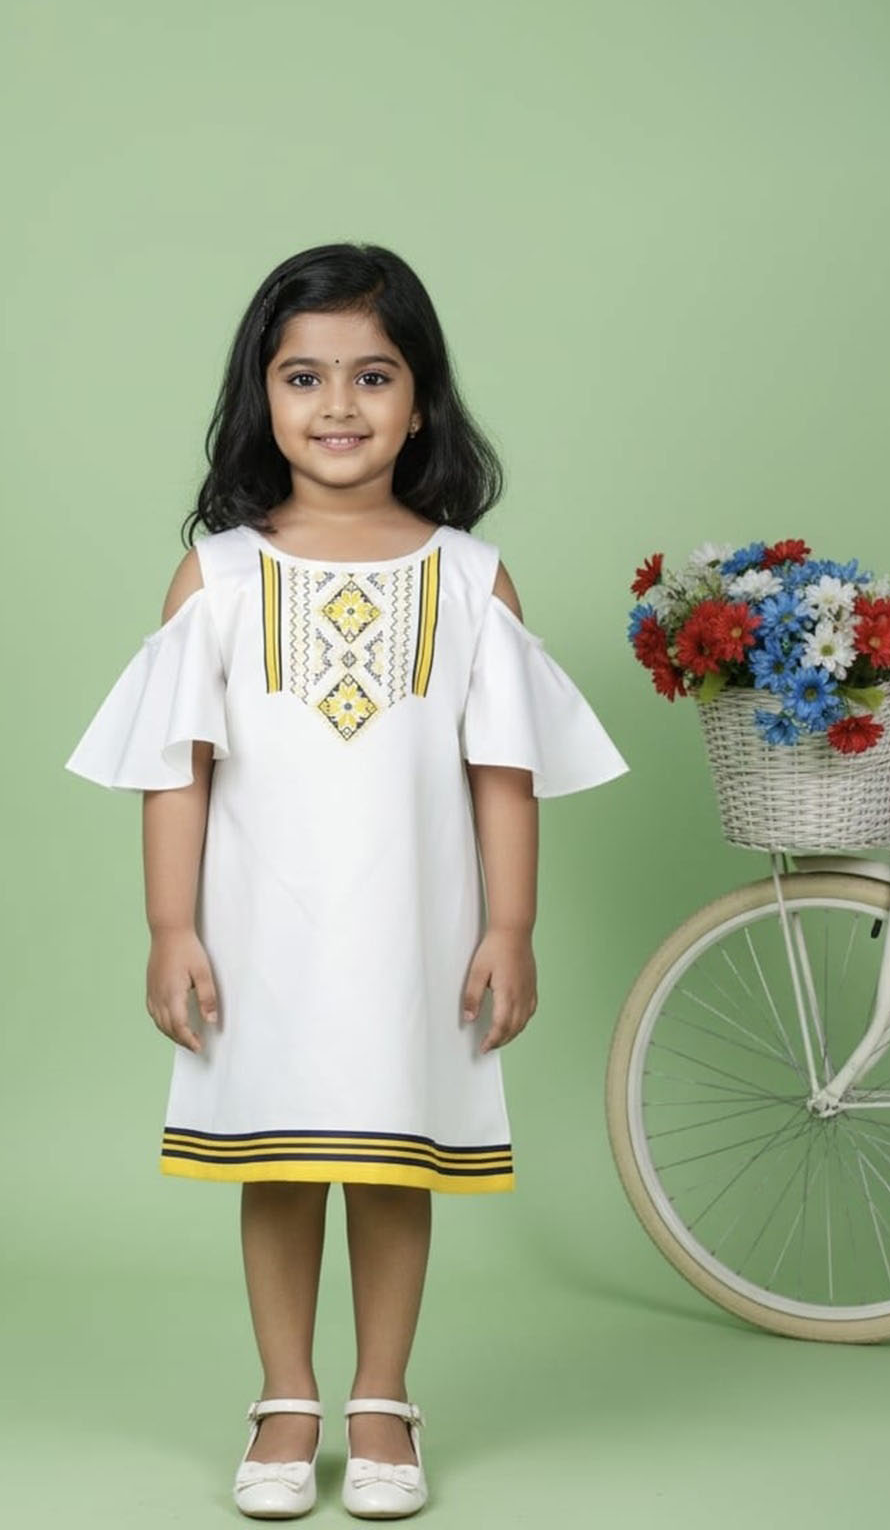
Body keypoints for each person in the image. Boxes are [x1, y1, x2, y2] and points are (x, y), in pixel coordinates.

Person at [64, 241, 628, 1520]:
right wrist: (169, 925)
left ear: (421, 400)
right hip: (259, 934)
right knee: (276, 1162)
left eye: (373, 376)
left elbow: (503, 772)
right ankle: (285, 1396)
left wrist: (512, 924)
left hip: (410, 935)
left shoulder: (470, 581)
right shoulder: (219, 576)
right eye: (303, 375)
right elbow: (177, 767)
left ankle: (382, 1397)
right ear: (260, 395)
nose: (337, 405)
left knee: (389, 1158)